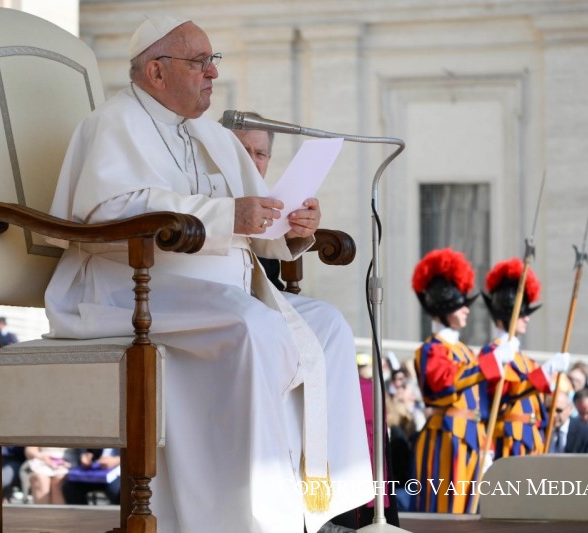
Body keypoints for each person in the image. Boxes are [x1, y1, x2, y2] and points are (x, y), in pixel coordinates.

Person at [42, 16, 372, 533]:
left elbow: (255, 222)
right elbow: (105, 214)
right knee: (249, 326)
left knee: (327, 325)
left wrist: (293, 229)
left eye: (212, 61)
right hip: (127, 289)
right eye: (199, 62)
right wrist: (224, 215)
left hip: (214, 291)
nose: (213, 74)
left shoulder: (215, 138)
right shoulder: (112, 124)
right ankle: (253, 518)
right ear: (155, 71)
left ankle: (321, 508)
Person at [410, 248, 505, 514]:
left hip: (473, 435)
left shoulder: (464, 350)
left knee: (470, 513)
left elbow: (479, 397)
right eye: (460, 306)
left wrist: (486, 442)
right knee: (446, 511)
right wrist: (490, 363)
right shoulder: (431, 349)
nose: (466, 311)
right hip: (447, 437)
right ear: (444, 308)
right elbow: (442, 386)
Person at [479, 257, 570, 459]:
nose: (527, 318)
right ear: (507, 314)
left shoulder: (526, 360)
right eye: (522, 314)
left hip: (531, 440)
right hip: (508, 441)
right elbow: (509, 391)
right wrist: (547, 370)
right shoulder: (491, 353)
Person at [229, 111, 283, 289]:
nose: (251, 162)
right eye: (243, 152)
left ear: (268, 160)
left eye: (260, 154)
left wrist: (299, 228)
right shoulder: (206, 199)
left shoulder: (275, 204)